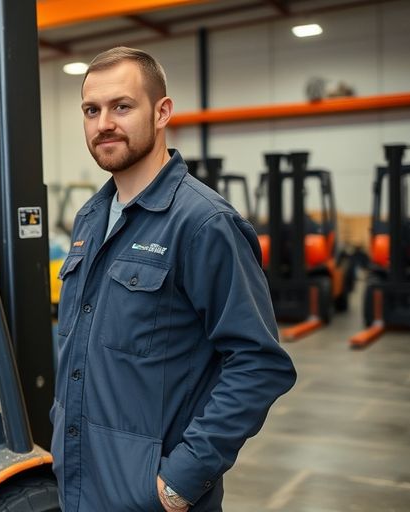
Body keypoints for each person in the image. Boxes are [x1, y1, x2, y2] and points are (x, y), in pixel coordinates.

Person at [51, 47, 296, 511]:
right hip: (82, 481)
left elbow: (259, 364)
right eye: (91, 110)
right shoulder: (88, 219)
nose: (104, 123)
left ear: (162, 112)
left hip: (152, 497)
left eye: (122, 106)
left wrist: (180, 481)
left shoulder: (203, 224)